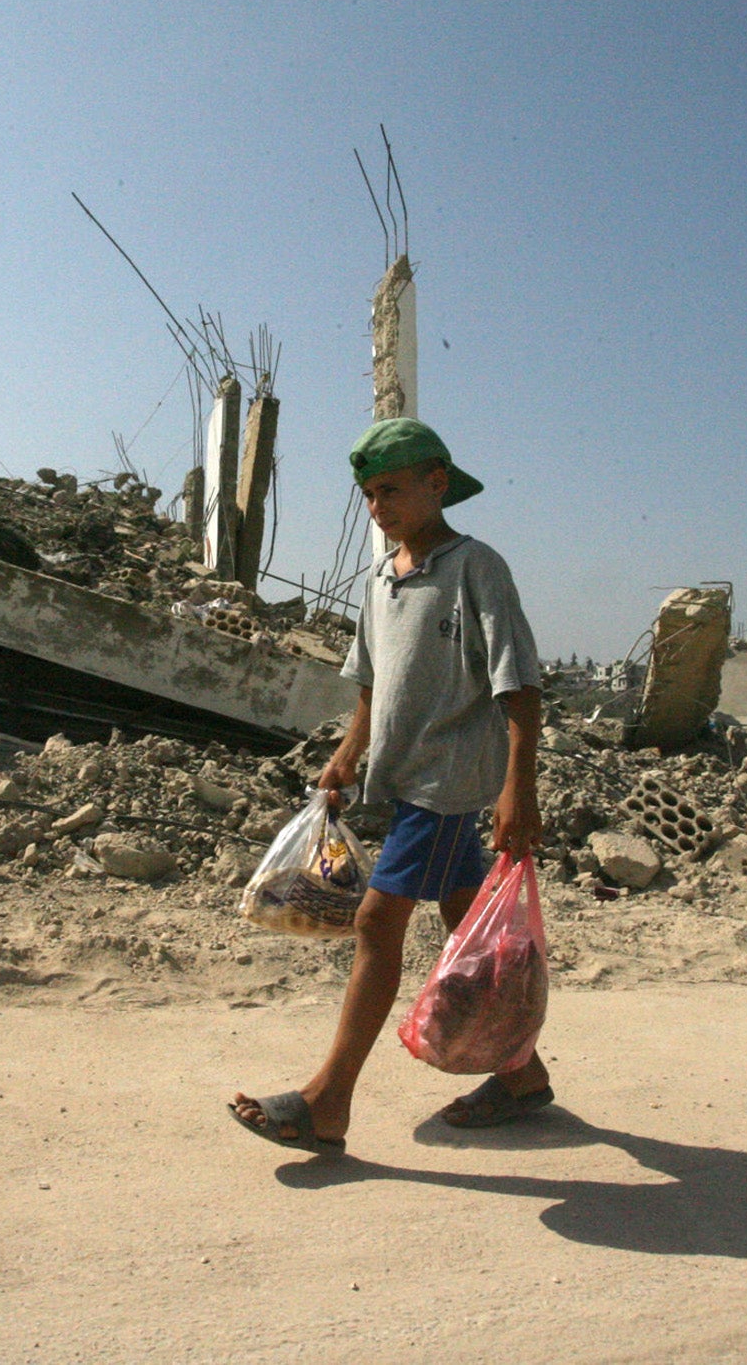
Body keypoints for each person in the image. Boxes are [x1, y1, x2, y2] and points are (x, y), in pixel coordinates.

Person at [230, 417, 546, 1154]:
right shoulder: (382, 578)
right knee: (470, 924)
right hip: (401, 782)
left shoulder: (476, 569)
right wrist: (346, 757)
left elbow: (521, 687)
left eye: (393, 489)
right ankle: (524, 1075)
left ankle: (327, 1101)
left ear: (438, 482)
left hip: (448, 786)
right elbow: (375, 690)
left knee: (377, 925)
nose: (380, 506)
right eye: (369, 494)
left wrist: (517, 789)